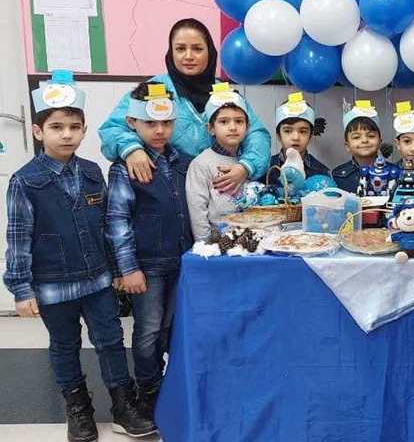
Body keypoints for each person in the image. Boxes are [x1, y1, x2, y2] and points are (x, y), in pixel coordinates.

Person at [4, 71, 155, 442]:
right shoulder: (25, 181)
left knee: (110, 341)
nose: (66, 135)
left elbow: (106, 226)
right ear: (38, 132)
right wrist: (21, 289)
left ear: (84, 131)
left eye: (74, 127)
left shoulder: (91, 172)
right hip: (52, 286)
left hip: (97, 280)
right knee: (65, 346)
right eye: (56, 127)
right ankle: (78, 409)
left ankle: (123, 405)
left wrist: (117, 269)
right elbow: (18, 238)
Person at [98, 18, 270, 192]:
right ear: (171, 52)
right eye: (180, 49)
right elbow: (112, 128)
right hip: (169, 189)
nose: (188, 56)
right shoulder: (154, 90)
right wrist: (131, 149)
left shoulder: (225, 93)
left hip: (220, 188)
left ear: (209, 52)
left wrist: (246, 166)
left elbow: (257, 134)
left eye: (197, 49)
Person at [105, 82, 194, 420]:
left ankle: (171, 386)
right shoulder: (123, 167)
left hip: (181, 261)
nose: (160, 131)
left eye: (167, 123)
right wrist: (128, 269)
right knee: (148, 332)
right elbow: (117, 222)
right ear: (132, 122)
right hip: (147, 266)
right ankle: (149, 391)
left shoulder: (183, 162)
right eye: (151, 123)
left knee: (173, 328)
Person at [186, 83, 253, 241]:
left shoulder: (247, 162)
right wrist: (205, 245)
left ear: (247, 127)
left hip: (248, 239)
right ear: (210, 128)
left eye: (239, 121)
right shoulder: (201, 164)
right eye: (224, 122)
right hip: (217, 243)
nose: (233, 127)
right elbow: (197, 210)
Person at [264, 92, 329, 186]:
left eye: (303, 132)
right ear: (278, 135)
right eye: (287, 131)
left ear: (310, 136)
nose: (296, 137)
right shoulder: (265, 169)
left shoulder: (321, 172)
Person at [332, 100, 395, 193]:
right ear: (347, 146)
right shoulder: (338, 176)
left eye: (371, 136)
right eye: (356, 137)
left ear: (380, 142)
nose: (364, 140)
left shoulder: (394, 172)